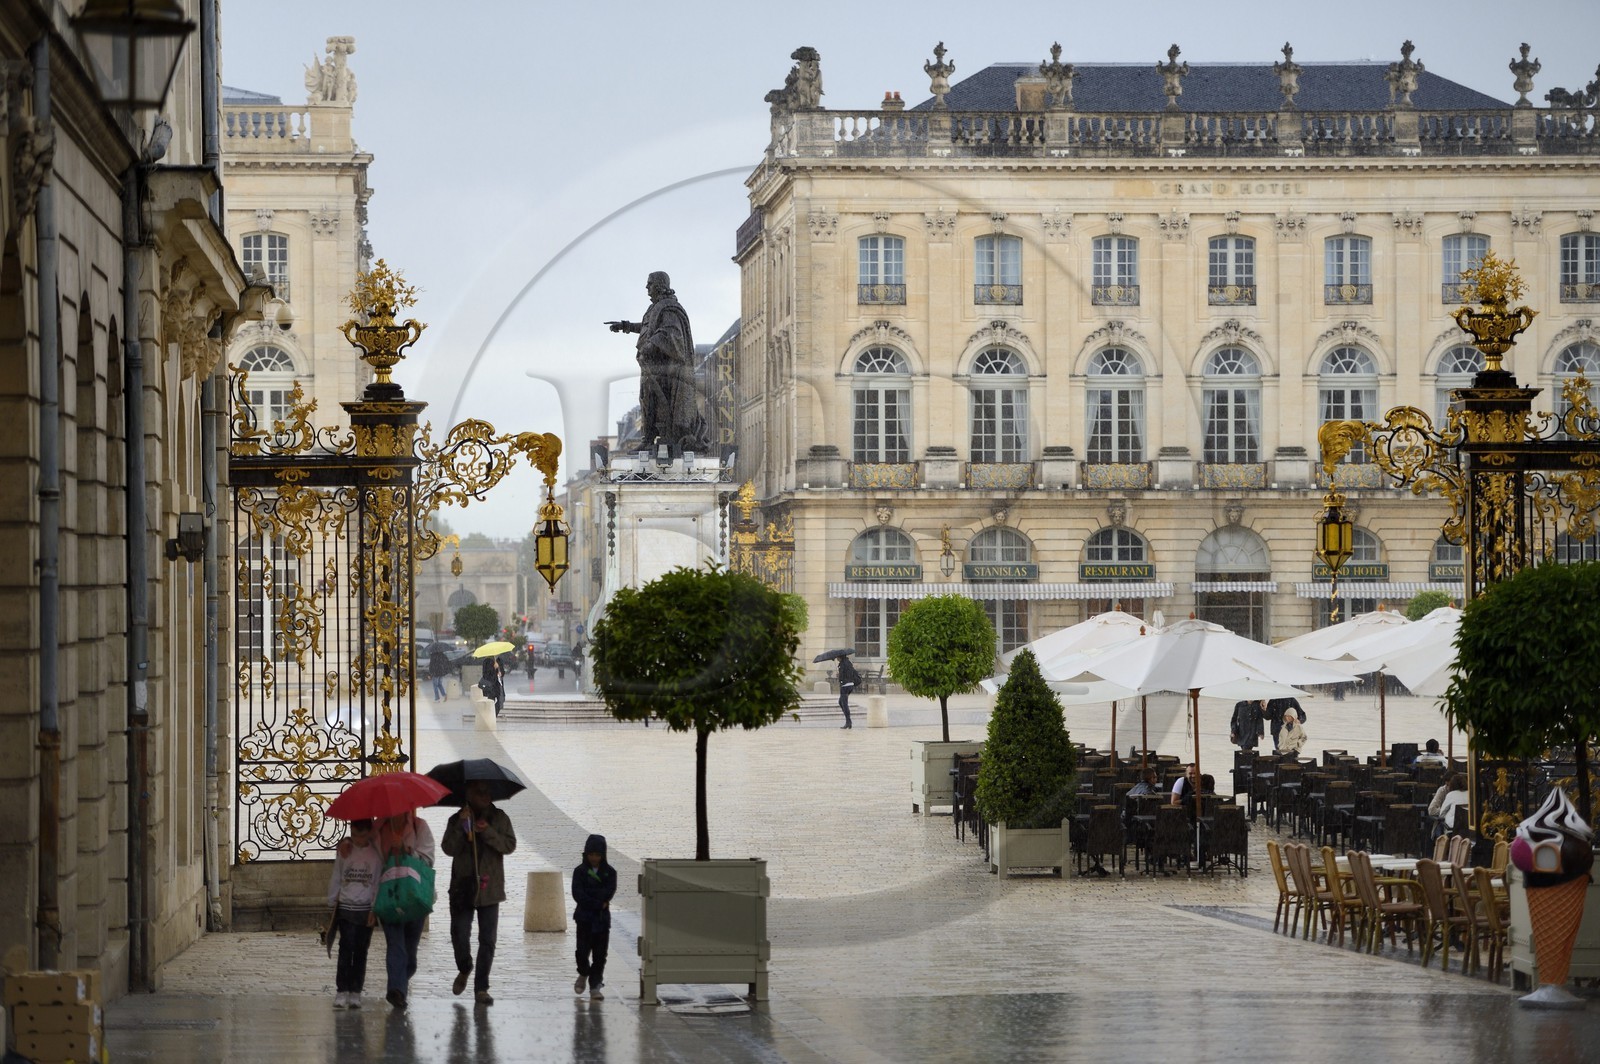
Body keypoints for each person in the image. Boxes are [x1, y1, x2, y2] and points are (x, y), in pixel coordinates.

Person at [607, 271, 708, 456]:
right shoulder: (655, 308)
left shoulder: (669, 308)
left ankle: (656, 439)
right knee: (647, 401)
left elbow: (670, 333)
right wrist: (626, 326)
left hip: (666, 371)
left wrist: (650, 346)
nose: (647, 287)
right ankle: (648, 439)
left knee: (658, 403)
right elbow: (648, 327)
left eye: (650, 284)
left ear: (660, 285)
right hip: (652, 367)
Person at [442, 781, 517, 1006]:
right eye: (479, 792)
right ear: (468, 794)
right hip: (462, 887)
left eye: (488, 791)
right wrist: (461, 827)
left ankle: (481, 988)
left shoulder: (500, 818)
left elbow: (509, 846)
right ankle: (465, 967)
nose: (485, 795)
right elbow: (448, 849)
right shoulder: (457, 819)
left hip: (489, 888)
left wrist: (488, 832)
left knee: (487, 940)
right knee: (460, 934)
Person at [376, 810, 435, 1010]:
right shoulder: (378, 829)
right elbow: (372, 862)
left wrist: (406, 849)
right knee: (395, 945)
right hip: (388, 895)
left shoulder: (420, 827)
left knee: (409, 953)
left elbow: (428, 860)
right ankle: (396, 991)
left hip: (414, 897)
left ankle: (401, 980)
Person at [325, 818, 380, 1009]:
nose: (358, 840)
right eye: (355, 835)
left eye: (362, 836)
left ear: (370, 833)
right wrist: (332, 902)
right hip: (346, 907)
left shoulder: (375, 855)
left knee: (361, 951)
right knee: (345, 948)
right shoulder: (345, 852)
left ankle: (356, 990)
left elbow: (376, 883)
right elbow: (337, 876)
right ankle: (342, 990)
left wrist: (375, 908)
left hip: (365, 908)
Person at [572, 833, 617, 1001]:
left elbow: (609, 892)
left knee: (600, 955)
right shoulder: (580, 871)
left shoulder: (610, 873)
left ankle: (595, 985)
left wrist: (594, 899)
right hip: (584, 919)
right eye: (591, 854)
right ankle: (583, 972)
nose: (594, 858)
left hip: (601, 920)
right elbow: (578, 894)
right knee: (582, 952)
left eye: (597, 855)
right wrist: (597, 903)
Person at [1431, 773, 1470, 839]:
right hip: (1468, 827)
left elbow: (1441, 814)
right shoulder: (1470, 794)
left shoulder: (1451, 795)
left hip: (1453, 829)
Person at [836, 656, 861, 729]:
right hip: (851, 685)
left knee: (844, 703)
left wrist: (839, 675)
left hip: (845, 686)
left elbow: (843, 676)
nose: (837, 658)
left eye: (837, 657)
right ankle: (848, 721)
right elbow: (851, 673)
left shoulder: (843, 664)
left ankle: (848, 722)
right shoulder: (849, 663)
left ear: (840, 657)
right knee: (841, 702)